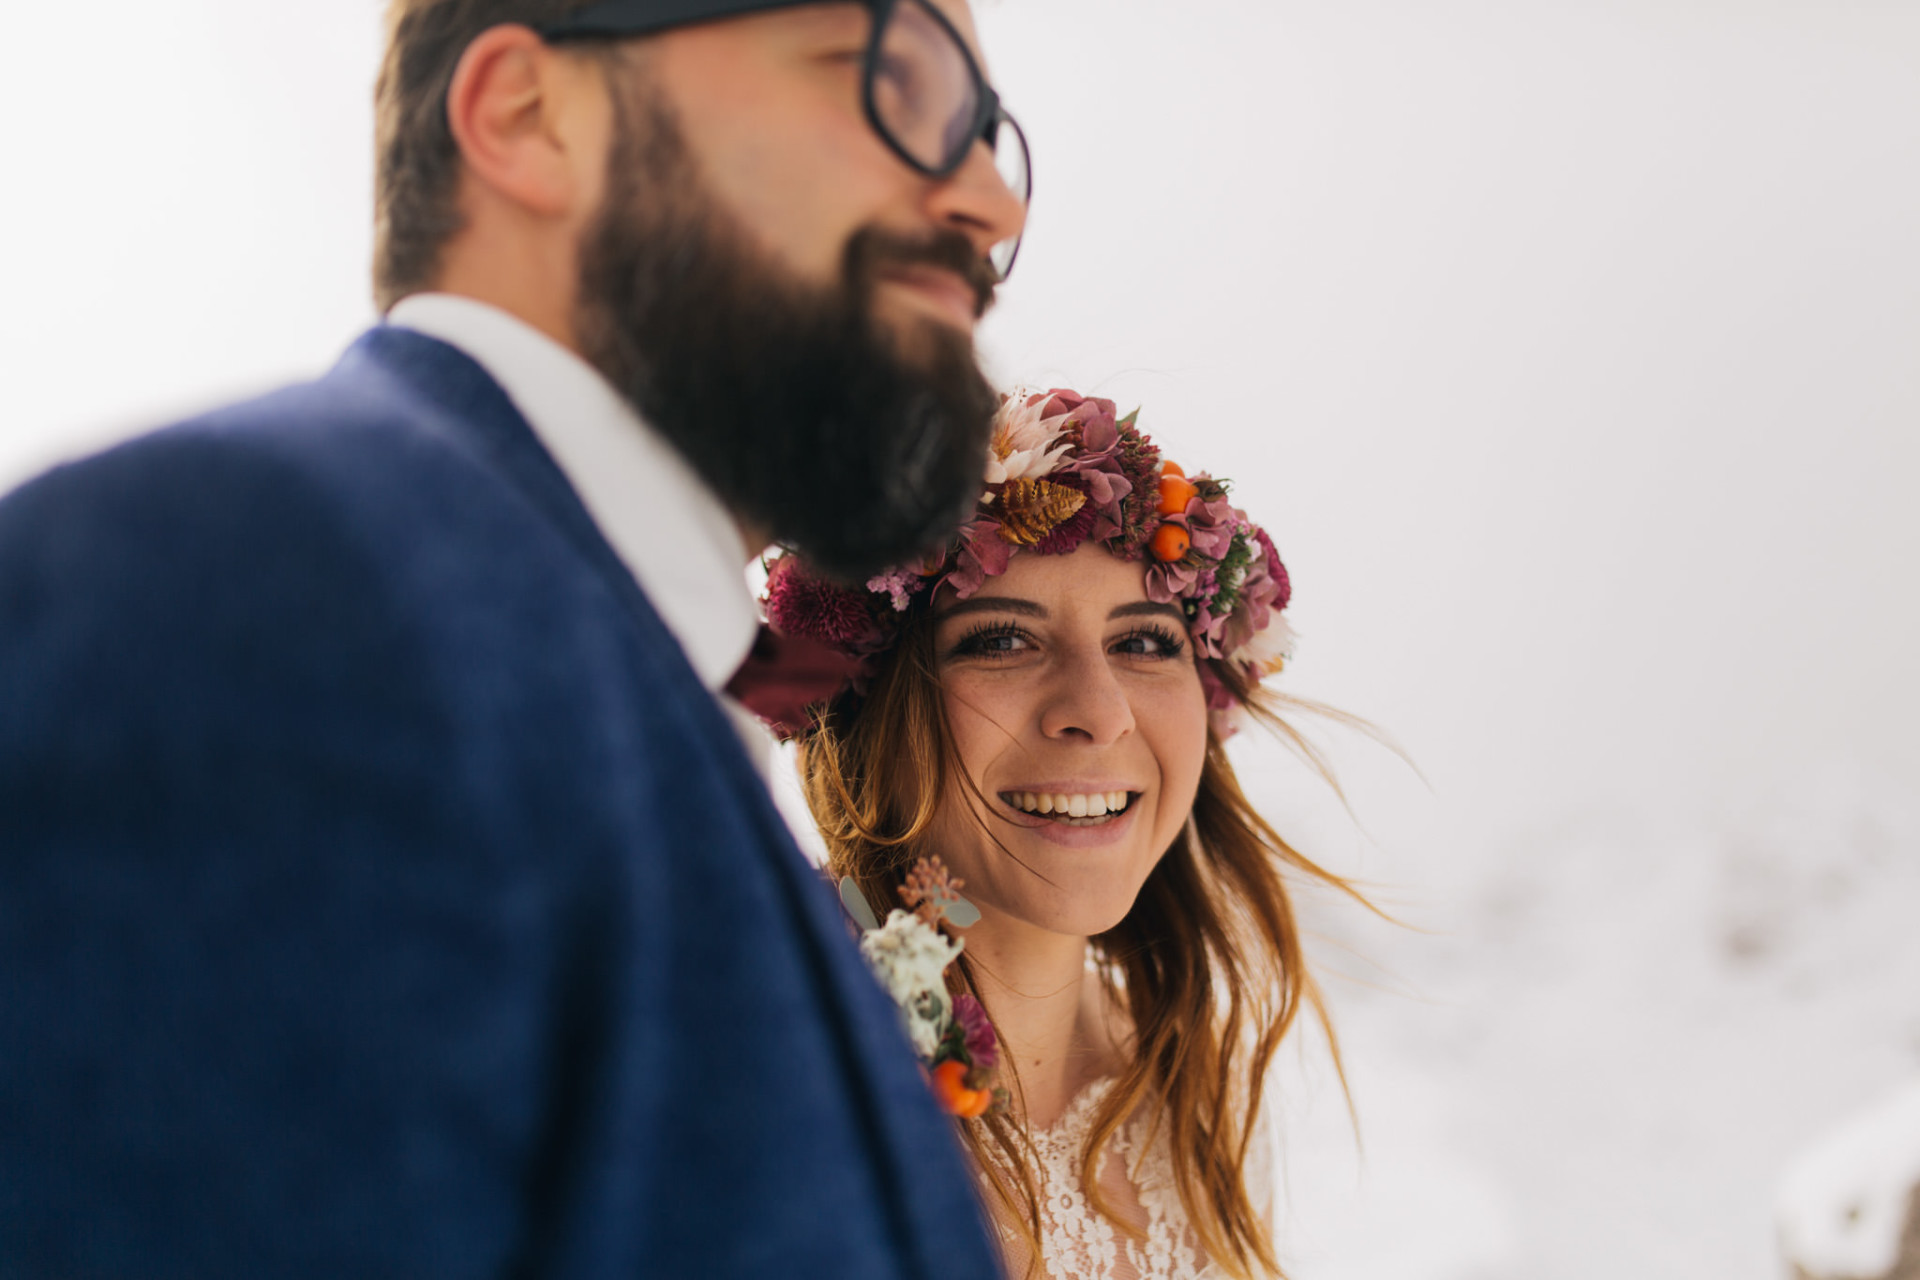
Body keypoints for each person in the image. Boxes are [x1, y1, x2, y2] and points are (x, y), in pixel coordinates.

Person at [0, 1, 1028, 1276]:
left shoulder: (639, 703)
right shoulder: (252, 579)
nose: (993, 200)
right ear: (529, 117)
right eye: (895, 76)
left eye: (990, 132)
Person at [755, 388, 1363, 1280]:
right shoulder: (772, 1086)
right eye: (1002, 640)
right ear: (862, 709)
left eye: (1148, 644)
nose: (1099, 711)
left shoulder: (1197, 1091)